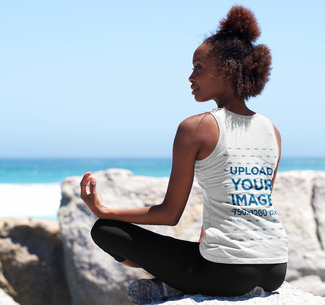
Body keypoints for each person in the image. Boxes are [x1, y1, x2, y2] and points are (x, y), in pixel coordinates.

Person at [80, 5, 288, 304]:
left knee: (106, 231)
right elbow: (249, 203)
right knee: (197, 250)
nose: (191, 77)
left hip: (227, 274)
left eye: (198, 68)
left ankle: (172, 287)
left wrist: (103, 210)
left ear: (227, 70)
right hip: (275, 267)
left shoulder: (196, 127)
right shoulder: (272, 130)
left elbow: (169, 214)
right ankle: (183, 278)